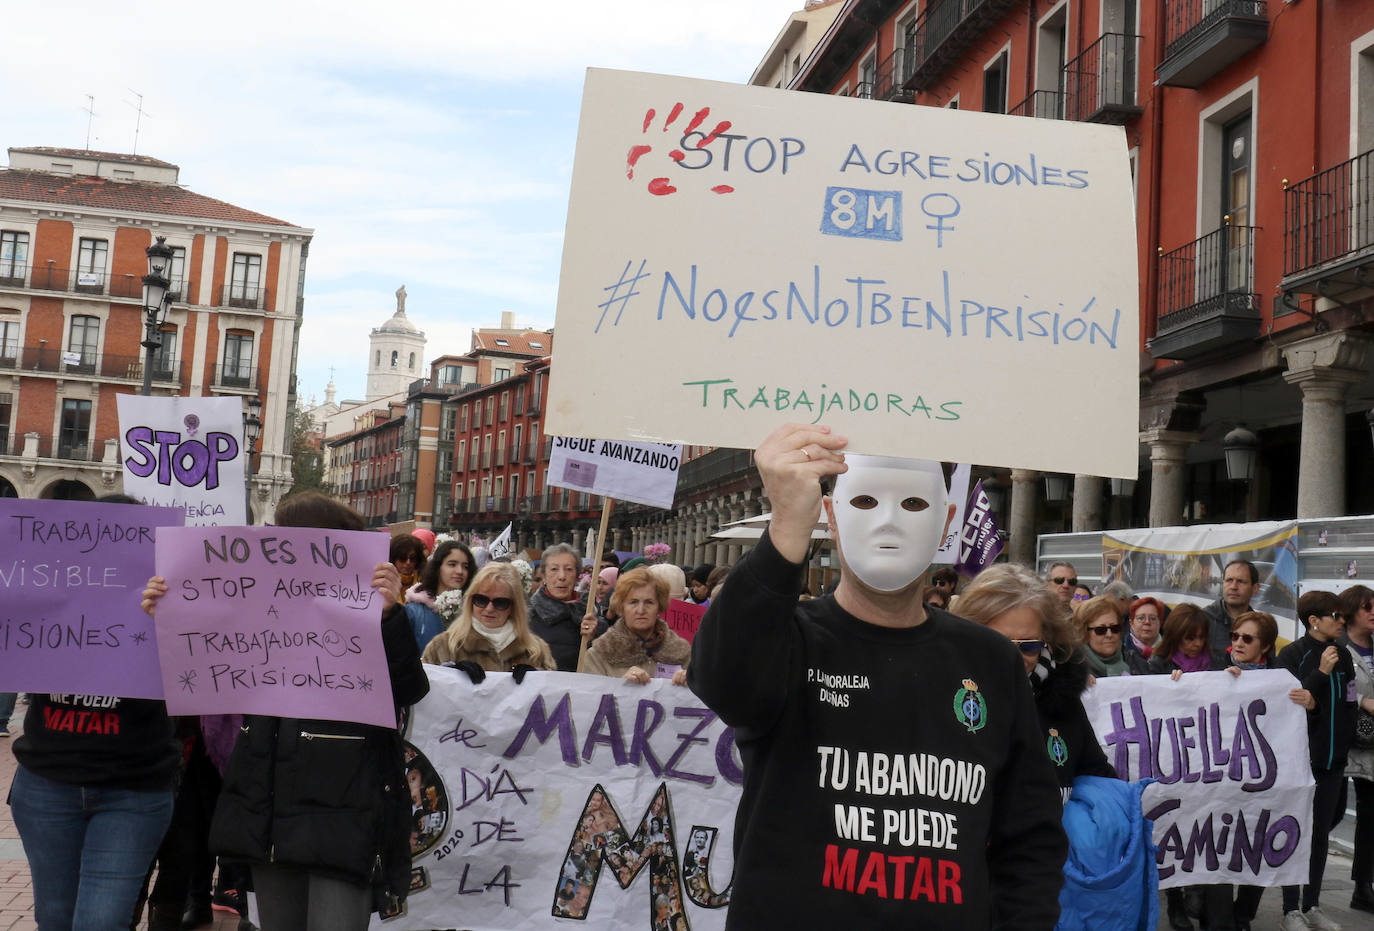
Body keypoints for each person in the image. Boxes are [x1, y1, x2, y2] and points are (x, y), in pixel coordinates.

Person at [688, 423, 1067, 928]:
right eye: (865, 502)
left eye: (913, 505)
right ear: (832, 515)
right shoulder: (788, 642)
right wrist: (785, 529)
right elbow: (721, 677)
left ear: (946, 522)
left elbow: (1030, 832)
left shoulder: (991, 661)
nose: (889, 522)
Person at [144, 492, 431, 931]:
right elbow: (197, 673)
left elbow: (410, 688)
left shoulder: (372, 608)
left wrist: (391, 617)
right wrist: (167, 614)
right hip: (268, 812)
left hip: (342, 816)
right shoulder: (252, 604)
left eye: (283, 536)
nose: (272, 546)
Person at [9, 494, 181, 931]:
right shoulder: (47, 589)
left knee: (101, 922)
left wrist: (174, 617)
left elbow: (205, 680)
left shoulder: (170, 601)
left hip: (134, 789)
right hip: (48, 783)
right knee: (55, 917)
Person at [956, 564, 1114, 797]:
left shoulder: (1062, 700)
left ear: (1047, 640)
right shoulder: (940, 700)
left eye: (1029, 646)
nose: (1015, 659)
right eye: (1001, 645)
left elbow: (1101, 780)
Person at [1277, 590, 1358, 931]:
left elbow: (1351, 701)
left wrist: (1346, 746)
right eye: (1336, 616)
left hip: (1334, 762)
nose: (1342, 622)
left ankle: (1312, 905)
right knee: (1296, 832)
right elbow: (1288, 705)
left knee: (1321, 834)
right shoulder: (1292, 654)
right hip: (1300, 762)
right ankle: (1290, 908)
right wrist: (1321, 673)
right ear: (1314, 621)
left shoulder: (1345, 654)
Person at [1221, 610, 1285, 931]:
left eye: (1247, 638)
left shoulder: (1281, 682)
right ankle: (1217, 913)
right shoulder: (1216, 675)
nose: (1238, 643)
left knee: (1259, 844)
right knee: (1219, 842)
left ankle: (1243, 913)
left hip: (1263, 779)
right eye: (1235, 636)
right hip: (1224, 777)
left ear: (1266, 647)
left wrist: (1309, 701)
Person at [420, 562, 556, 673]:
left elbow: (553, 699)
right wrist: (448, 675)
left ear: (514, 606)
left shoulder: (537, 651)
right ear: (470, 601)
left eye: (500, 602)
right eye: (481, 600)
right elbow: (421, 694)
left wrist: (536, 678)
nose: (489, 609)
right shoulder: (443, 646)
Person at [582, 568, 691, 685]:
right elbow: (591, 699)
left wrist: (691, 683)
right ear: (621, 606)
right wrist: (620, 687)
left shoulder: (682, 653)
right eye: (633, 602)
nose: (641, 610)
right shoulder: (599, 654)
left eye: (649, 602)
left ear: (659, 606)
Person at [1340, 584, 1374, 913]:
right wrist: (1365, 701)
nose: (1373, 611)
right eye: (1367, 607)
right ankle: (1362, 886)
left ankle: (1364, 886)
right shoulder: (1340, 650)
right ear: (1351, 612)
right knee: (1338, 811)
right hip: (1350, 744)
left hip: (1373, 746)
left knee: (1370, 816)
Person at [529, 543, 600, 671]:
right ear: (544, 576)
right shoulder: (528, 617)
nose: (562, 576)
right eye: (554, 569)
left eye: (569, 569)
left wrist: (593, 639)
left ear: (577, 576)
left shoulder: (592, 613)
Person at [404, 539, 476, 650]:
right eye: (452, 564)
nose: (460, 571)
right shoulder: (414, 611)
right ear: (437, 567)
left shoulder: (475, 610)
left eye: (465, 566)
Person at [1077, 595, 1150, 678]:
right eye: (1100, 630)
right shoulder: (1073, 669)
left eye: (1115, 628)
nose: (1109, 634)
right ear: (1084, 632)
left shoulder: (1136, 662)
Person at [1203, 560, 1258, 668]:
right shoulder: (1202, 620)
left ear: (1255, 589)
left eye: (1241, 581)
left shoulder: (1261, 627)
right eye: (1229, 580)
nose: (1233, 586)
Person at [1147, 604, 1222, 677]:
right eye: (1190, 638)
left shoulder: (1216, 662)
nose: (1198, 644)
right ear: (1175, 636)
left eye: (1202, 637)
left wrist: (1229, 675)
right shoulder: (1157, 665)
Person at [1124, 597, 1165, 661]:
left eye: (1153, 618)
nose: (1147, 622)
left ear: (1160, 623)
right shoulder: (1121, 652)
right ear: (1131, 623)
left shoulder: (1171, 653)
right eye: (1141, 618)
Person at [388, 533, 427, 597]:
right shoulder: (385, 582)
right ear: (393, 558)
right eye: (402, 558)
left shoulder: (425, 582)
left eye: (413, 558)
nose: (408, 562)